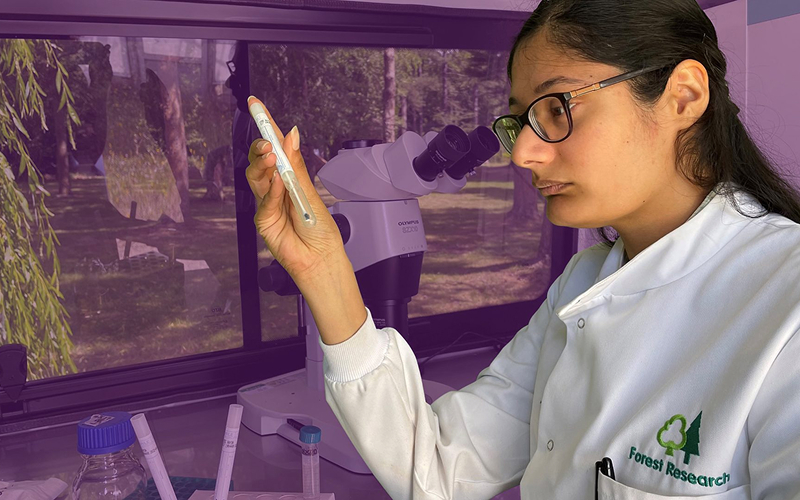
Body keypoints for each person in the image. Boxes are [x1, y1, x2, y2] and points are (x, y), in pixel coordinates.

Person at [243, 0, 800, 498]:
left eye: (556, 109)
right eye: (520, 121)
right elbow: (439, 468)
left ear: (683, 96)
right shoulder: (582, 286)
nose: (523, 154)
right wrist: (320, 268)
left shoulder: (786, 304)